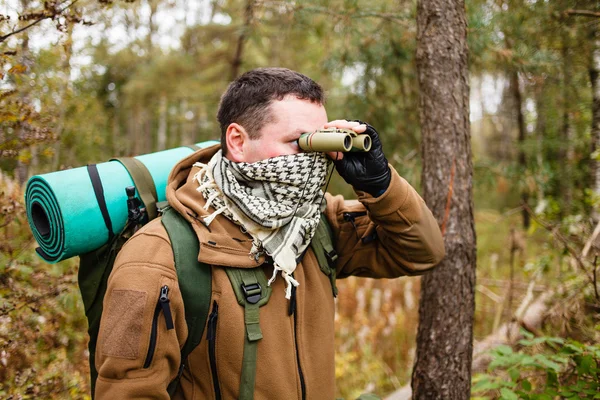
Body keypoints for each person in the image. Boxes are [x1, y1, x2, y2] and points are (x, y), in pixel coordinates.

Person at [94, 67, 445, 399]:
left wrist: (381, 183)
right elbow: (126, 390)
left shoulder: (315, 223)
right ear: (238, 141)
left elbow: (422, 251)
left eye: (320, 143)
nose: (313, 159)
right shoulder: (157, 257)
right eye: (299, 142)